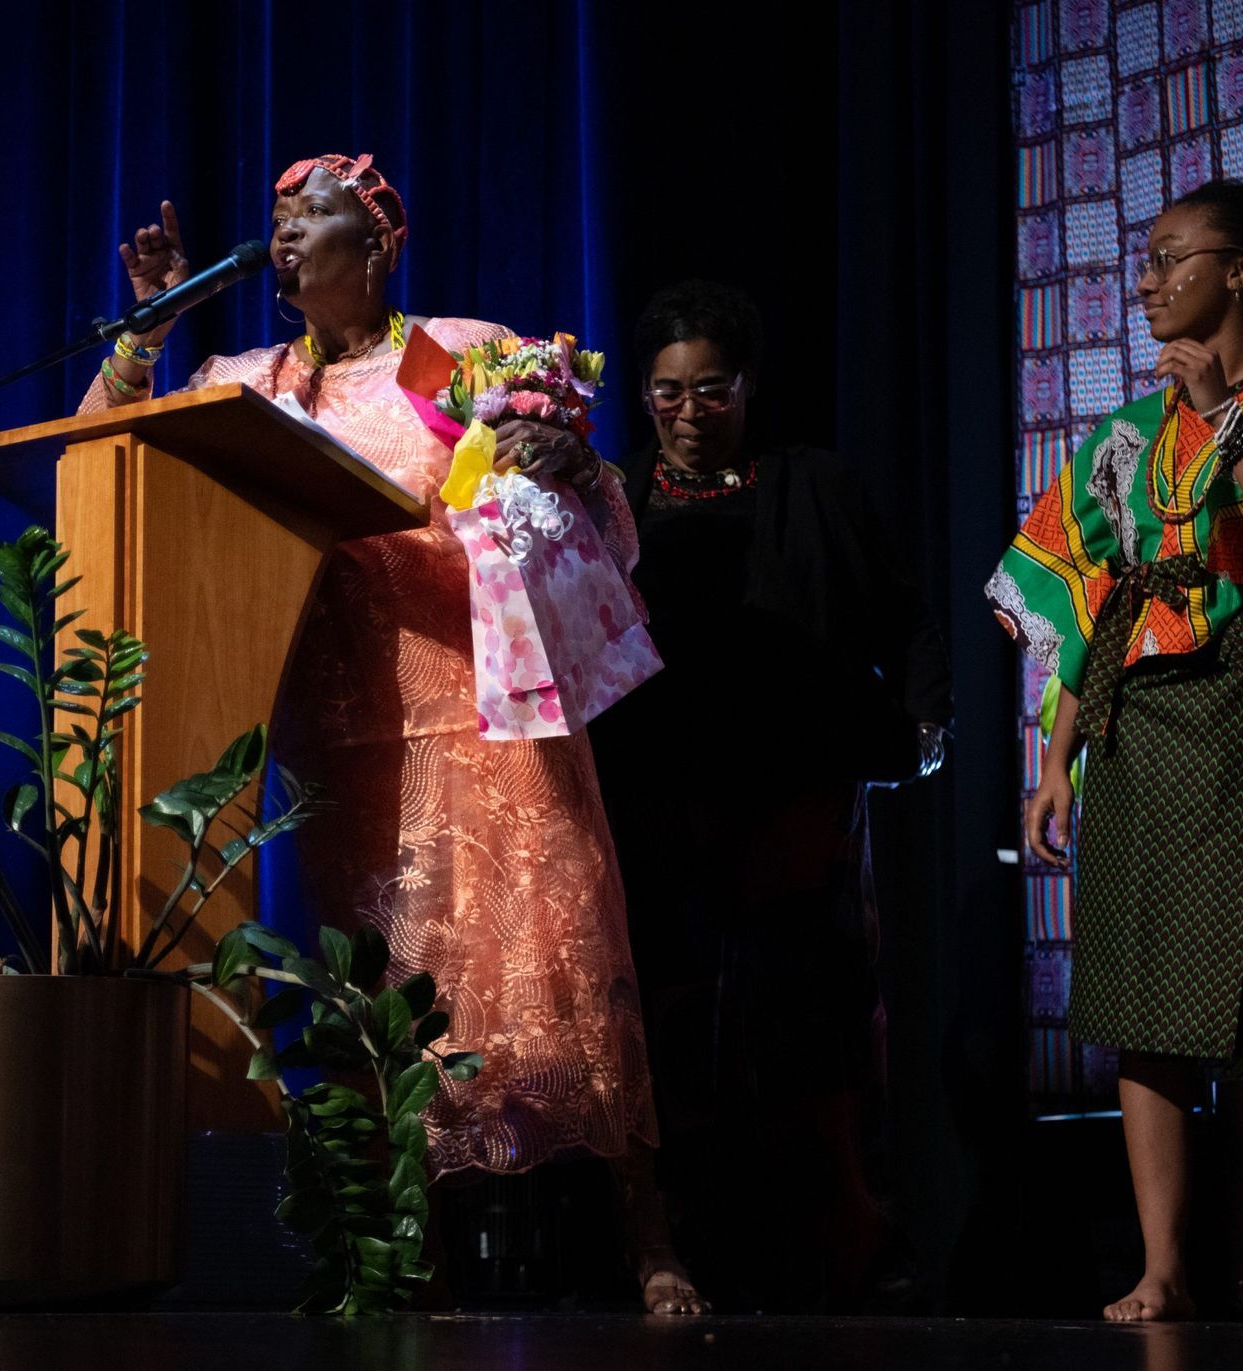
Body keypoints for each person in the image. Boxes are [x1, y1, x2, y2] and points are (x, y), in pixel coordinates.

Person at [80, 156, 686, 1309]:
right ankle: (413, 1255)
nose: (284, 244)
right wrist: (144, 333)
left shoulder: (461, 354)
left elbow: (598, 506)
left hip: (486, 712)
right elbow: (102, 453)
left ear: (378, 247)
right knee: (390, 1008)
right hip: (341, 739)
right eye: (274, 228)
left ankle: (648, 1237)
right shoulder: (246, 381)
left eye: (307, 223)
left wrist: (568, 460)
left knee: (562, 973)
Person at [989, 171, 1243, 1326]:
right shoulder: (1120, 436)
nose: (1150, 282)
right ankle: (1161, 1267)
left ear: (1242, 273)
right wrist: (1056, 756)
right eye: (1146, 263)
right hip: (1145, 737)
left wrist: (1227, 423)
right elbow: (1098, 600)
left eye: (1173, 258)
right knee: (1141, 1006)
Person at [589, 280, 952, 1312]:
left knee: (817, 1026)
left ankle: (845, 1249)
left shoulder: (814, 485)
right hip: (663, 796)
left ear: (747, 387)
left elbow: (903, 616)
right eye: (667, 394)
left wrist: (925, 728)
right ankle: (684, 1247)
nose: (690, 411)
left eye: (711, 390)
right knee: (676, 1026)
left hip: (796, 791)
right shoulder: (618, 498)